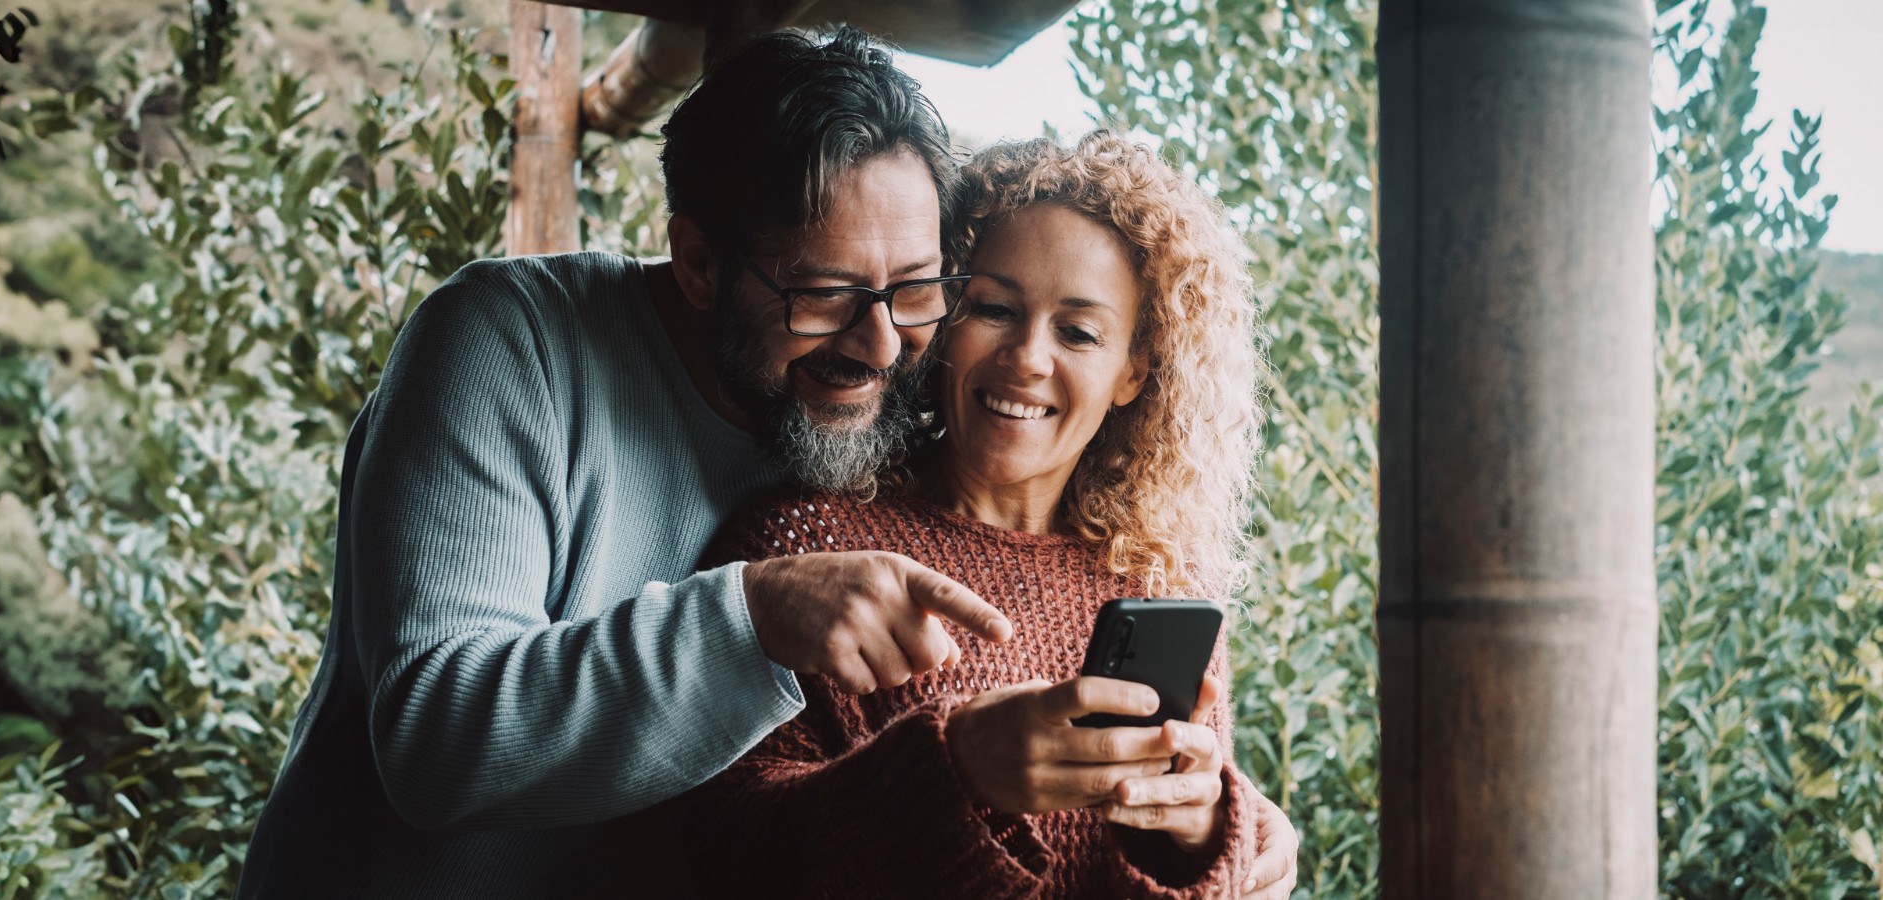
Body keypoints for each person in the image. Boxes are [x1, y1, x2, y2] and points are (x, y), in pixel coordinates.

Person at [237, 28, 1017, 898]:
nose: (879, 344)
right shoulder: (507, 343)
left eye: (915, 288)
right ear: (697, 263)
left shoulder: (876, 410)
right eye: (825, 294)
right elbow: (436, 743)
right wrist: (752, 619)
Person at [652, 131, 1297, 898]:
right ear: (940, 319)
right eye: (994, 307)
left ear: (1134, 372)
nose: (1027, 356)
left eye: (1079, 331)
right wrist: (954, 771)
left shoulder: (1157, 582)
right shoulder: (806, 542)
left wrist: (1205, 832)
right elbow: (724, 848)